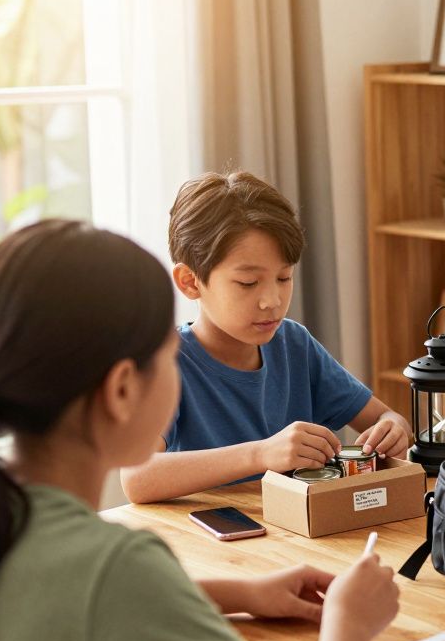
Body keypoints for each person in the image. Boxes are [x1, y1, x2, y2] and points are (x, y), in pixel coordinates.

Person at [0, 220, 400, 641]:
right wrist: (351, 624)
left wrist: (235, 593)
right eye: (170, 355)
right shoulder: (118, 568)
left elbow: (70, 599)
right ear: (123, 389)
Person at [120, 172, 412, 503]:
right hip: (211, 547)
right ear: (190, 281)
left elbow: (385, 417)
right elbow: (135, 477)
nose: (272, 300)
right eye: (248, 283)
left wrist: (394, 428)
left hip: (296, 539)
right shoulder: (167, 363)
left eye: (284, 277)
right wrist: (260, 455)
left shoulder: (294, 345)